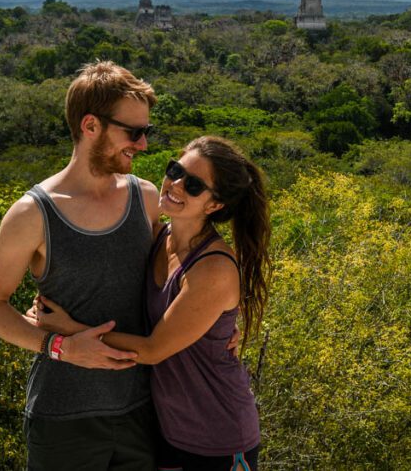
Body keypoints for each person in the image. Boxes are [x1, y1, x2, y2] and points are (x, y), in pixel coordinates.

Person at [31, 135, 271, 471]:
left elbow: (153, 349)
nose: (175, 184)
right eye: (175, 170)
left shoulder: (212, 268)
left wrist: (69, 328)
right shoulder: (159, 237)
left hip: (218, 435)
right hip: (167, 430)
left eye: (194, 185)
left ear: (215, 205)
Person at [0, 60, 163, 470]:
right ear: (90, 125)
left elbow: (173, 282)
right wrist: (60, 348)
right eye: (133, 132)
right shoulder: (33, 214)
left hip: (144, 410)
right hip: (63, 418)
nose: (143, 144)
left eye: (147, 132)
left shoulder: (145, 199)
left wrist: (219, 327)